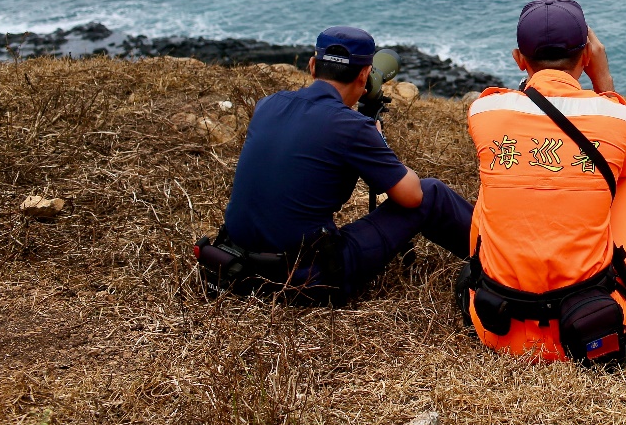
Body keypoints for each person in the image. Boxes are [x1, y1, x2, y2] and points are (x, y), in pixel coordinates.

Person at [458, 0, 626, 366]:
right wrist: (603, 81)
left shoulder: (484, 110)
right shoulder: (617, 117)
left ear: (519, 59)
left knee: (493, 187)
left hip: (496, 327)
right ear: (587, 56)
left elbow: (523, 103)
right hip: (586, 330)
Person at [198, 26, 474, 303]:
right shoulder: (351, 127)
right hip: (307, 280)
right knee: (432, 193)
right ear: (365, 75)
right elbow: (412, 196)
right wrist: (377, 140)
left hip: (237, 267)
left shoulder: (268, 104)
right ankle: (503, 260)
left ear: (312, 65)